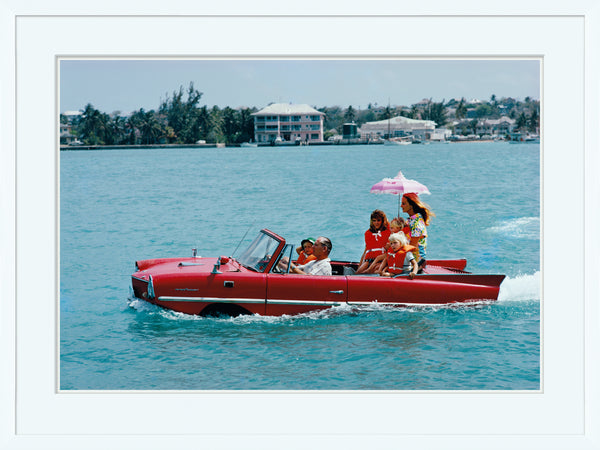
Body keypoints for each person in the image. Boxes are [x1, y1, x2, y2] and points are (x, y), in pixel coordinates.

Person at [401, 193, 435, 271]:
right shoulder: (411, 220)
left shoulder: (417, 223)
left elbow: (413, 246)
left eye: (403, 203)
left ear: (411, 205)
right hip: (409, 258)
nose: (401, 206)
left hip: (416, 262)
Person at [356, 209, 391, 274]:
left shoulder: (388, 231)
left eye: (378, 220)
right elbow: (365, 250)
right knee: (358, 273)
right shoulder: (368, 233)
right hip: (368, 260)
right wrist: (360, 265)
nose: (376, 223)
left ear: (382, 221)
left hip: (380, 260)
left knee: (375, 271)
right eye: (374, 221)